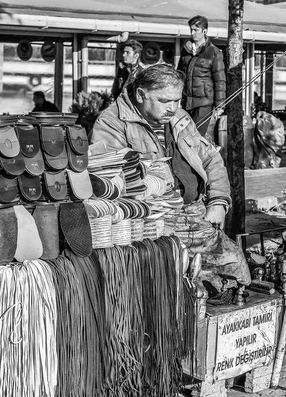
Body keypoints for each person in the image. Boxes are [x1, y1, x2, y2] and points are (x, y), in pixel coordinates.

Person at [91, 64, 250, 288]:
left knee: (238, 271)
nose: (173, 108)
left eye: (177, 100)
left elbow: (211, 159)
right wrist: (156, 222)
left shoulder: (179, 117)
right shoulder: (111, 123)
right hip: (153, 224)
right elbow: (112, 186)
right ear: (140, 95)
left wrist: (219, 201)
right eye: (165, 101)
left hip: (196, 216)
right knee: (178, 287)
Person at [177, 15, 226, 138]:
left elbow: (220, 80)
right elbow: (179, 75)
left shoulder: (214, 52)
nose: (193, 33)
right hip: (186, 101)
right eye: (191, 30)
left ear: (204, 31)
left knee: (196, 137)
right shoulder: (186, 50)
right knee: (183, 136)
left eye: (196, 30)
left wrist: (220, 105)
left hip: (204, 102)